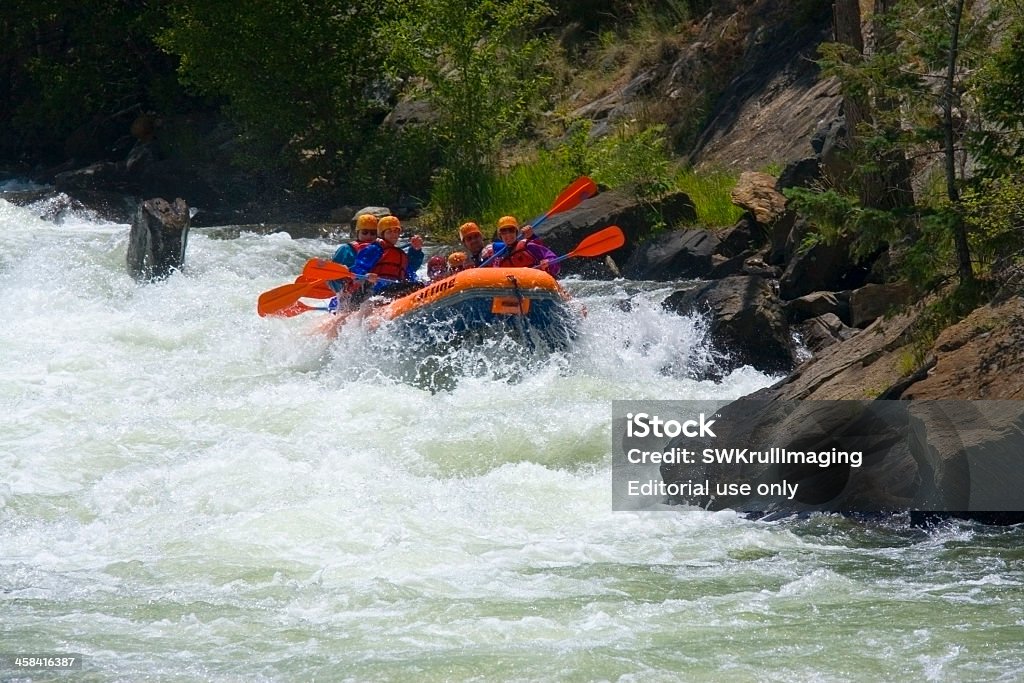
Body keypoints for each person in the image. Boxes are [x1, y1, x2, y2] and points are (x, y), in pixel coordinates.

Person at [352, 215, 425, 295]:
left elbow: (411, 271)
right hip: (374, 292)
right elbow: (358, 267)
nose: (393, 234)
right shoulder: (374, 249)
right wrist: (366, 275)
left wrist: (416, 250)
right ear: (382, 234)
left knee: (418, 285)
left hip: (393, 290)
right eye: (389, 231)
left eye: (396, 231)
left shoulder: (401, 254)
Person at [489, 215, 560, 276]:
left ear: (516, 232)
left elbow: (553, 259)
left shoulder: (528, 245)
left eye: (511, 230)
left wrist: (548, 263)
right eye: (503, 231)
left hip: (538, 283)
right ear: (500, 235)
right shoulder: (499, 258)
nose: (508, 234)